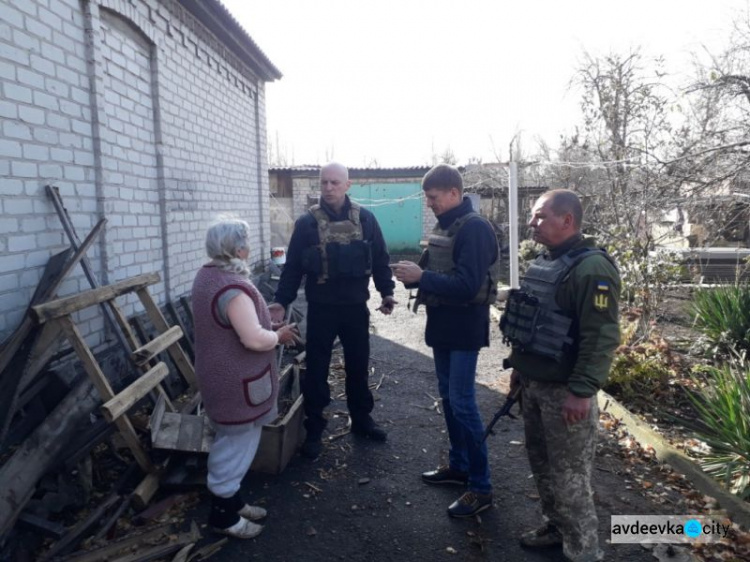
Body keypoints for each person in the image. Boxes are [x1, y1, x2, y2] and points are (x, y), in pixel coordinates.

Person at [500, 189, 620, 562]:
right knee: (543, 467)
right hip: (535, 385)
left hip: (566, 392)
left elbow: (600, 337)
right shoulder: (546, 262)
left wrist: (582, 391)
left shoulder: (592, 269)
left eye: (540, 217)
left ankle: (584, 552)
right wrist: (519, 368)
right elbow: (533, 324)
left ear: (567, 221)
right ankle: (555, 528)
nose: (532, 223)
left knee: (570, 481)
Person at [392, 164, 501, 518]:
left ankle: (481, 486)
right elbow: (436, 273)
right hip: (442, 325)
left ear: (454, 193)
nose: (429, 204)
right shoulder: (446, 225)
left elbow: (468, 286)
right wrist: (411, 276)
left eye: (433, 197)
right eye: (427, 198)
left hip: (464, 327)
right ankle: (459, 467)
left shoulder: (476, 229)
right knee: (449, 400)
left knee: (463, 402)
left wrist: (423, 276)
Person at [270, 162, 397, 460]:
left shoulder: (366, 219)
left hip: (355, 308)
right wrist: (281, 301)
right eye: (324, 182)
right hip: (322, 309)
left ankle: (362, 420)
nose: (328, 188)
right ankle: (314, 428)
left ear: (347, 185)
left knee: (358, 366)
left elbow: (379, 259)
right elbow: (293, 269)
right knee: (316, 370)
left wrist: (387, 292)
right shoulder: (307, 224)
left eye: (334, 183)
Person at [192, 218, 300, 539]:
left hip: (219, 376)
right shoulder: (231, 286)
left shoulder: (208, 275)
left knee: (233, 442)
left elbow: (230, 320)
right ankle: (223, 517)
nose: (249, 247)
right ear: (237, 249)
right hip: (237, 382)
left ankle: (233, 501)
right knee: (235, 447)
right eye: (246, 242)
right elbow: (253, 339)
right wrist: (277, 335)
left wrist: (264, 313)